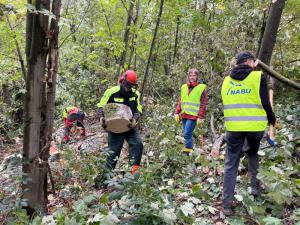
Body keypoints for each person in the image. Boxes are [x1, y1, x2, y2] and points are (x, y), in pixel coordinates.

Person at [215, 51, 276, 216]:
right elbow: (265, 102)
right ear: (250, 62)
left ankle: (226, 205)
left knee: (230, 164)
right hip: (255, 128)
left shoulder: (226, 81)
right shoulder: (258, 77)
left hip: (234, 128)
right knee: (252, 153)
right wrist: (272, 119)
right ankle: (255, 188)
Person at [96, 70, 143, 175]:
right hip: (114, 126)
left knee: (138, 144)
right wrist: (101, 118)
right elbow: (100, 107)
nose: (129, 87)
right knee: (113, 153)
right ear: (123, 81)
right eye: (127, 84)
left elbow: (138, 109)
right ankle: (105, 178)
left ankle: (133, 173)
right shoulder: (111, 92)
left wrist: (135, 119)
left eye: (131, 85)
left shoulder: (136, 94)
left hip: (129, 125)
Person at [174, 68, 208, 155]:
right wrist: (176, 112)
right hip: (184, 114)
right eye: (190, 75)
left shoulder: (201, 88)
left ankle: (187, 152)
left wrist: (200, 116)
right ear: (188, 76)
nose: (192, 77)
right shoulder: (184, 87)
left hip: (193, 116)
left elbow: (204, 103)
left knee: (187, 133)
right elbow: (180, 101)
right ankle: (189, 150)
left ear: (197, 77)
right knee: (186, 134)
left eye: (194, 75)